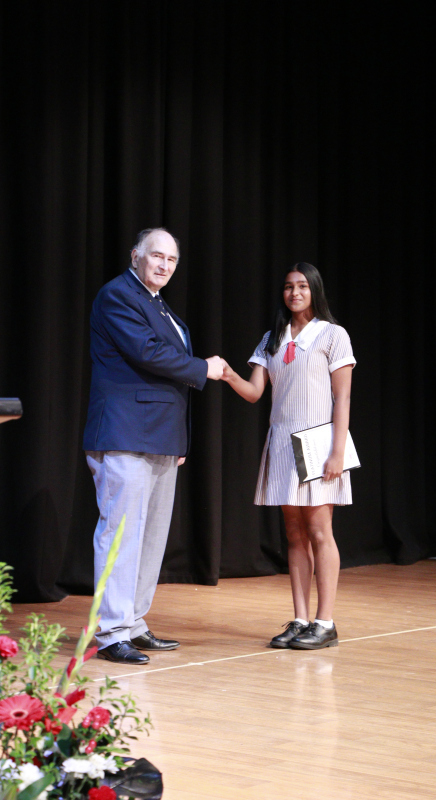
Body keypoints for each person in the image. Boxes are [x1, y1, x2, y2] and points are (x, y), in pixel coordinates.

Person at [83, 228, 223, 664]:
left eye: (172, 259)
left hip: (160, 436)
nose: (164, 265)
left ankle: (133, 622)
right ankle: (111, 633)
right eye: (157, 256)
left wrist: (178, 439)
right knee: (121, 534)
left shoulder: (158, 304)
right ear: (135, 256)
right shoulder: (118, 295)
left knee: (151, 536)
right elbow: (146, 353)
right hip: (125, 432)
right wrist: (202, 367)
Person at [221, 263, 356, 650]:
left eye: (302, 286)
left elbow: (343, 397)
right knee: (294, 534)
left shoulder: (332, 335)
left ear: (315, 290)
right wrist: (228, 373)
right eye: (288, 287)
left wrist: (337, 451)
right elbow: (254, 392)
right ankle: (300, 619)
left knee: (319, 531)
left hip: (317, 441)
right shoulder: (272, 338)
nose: (294, 292)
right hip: (282, 441)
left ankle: (325, 622)